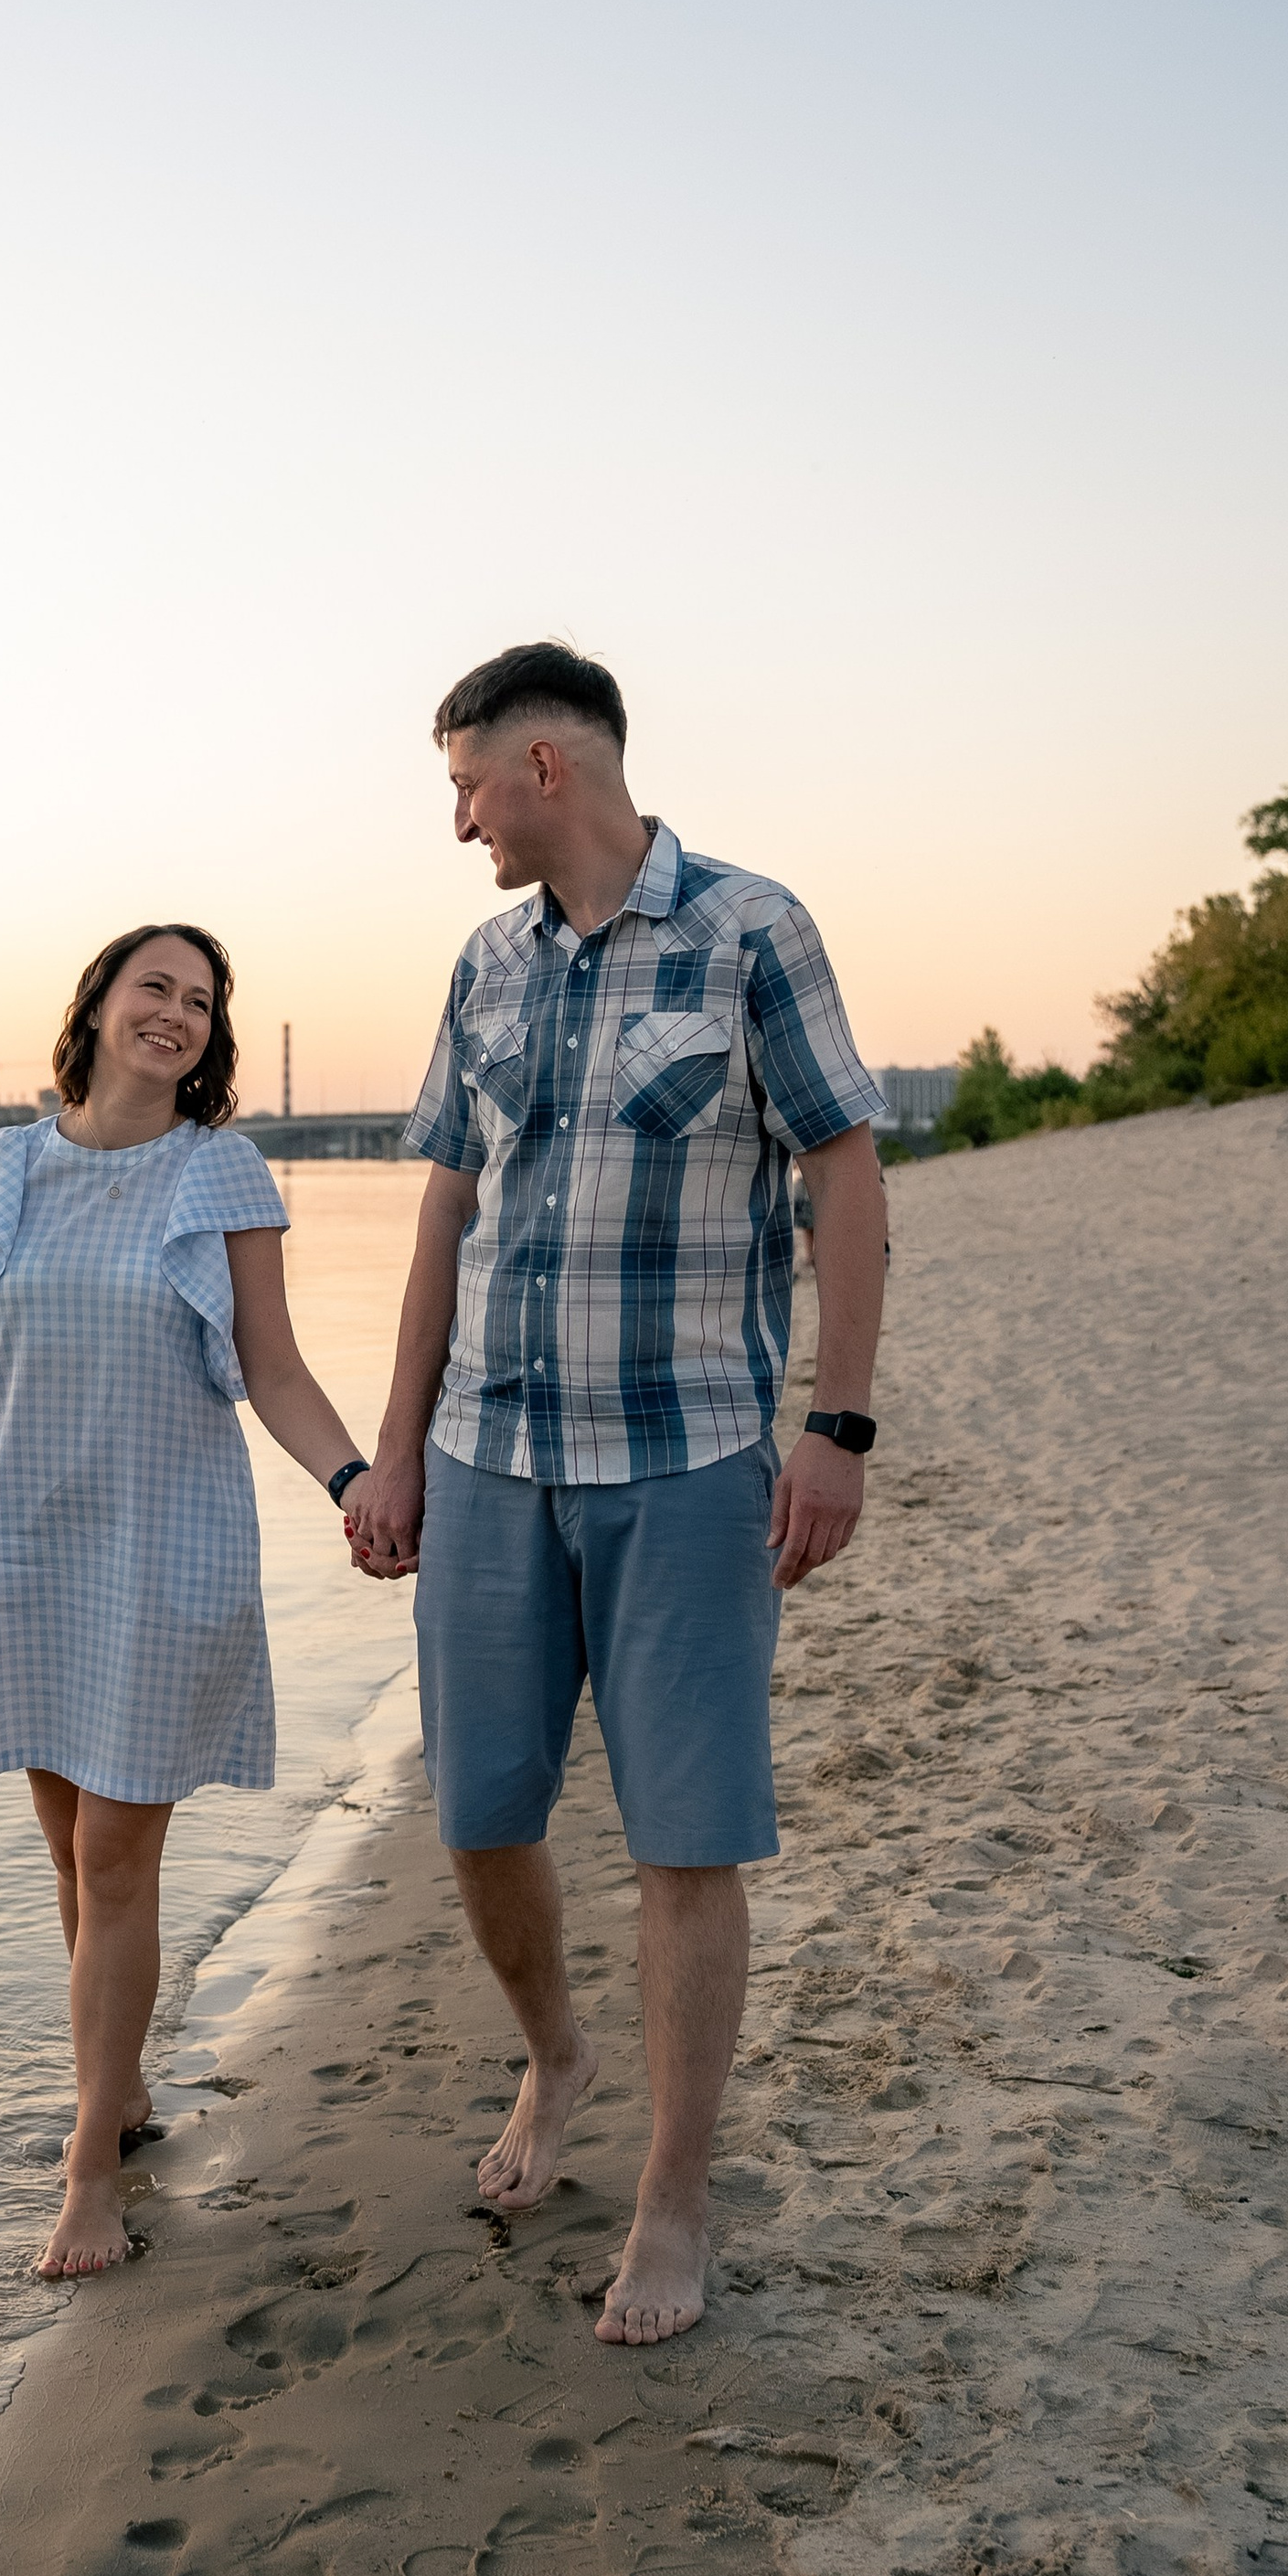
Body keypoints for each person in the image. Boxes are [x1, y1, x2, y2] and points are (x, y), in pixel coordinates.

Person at [342, 644, 888, 2347]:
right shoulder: (485, 966)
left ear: (544, 768)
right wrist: (399, 1442)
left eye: (464, 786)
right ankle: (557, 2056)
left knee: (686, 1840)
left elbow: (845, 1173)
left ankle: (673, 2199)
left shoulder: (751, 931)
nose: (458, 823)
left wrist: (839, 1425)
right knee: (478, 1817)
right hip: (490, 1459)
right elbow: (447, 1208)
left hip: (688, 1460)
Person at [0, 923, 374, 2283]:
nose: (177, 1013)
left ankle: (90, 2168)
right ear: (96, 1003)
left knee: (113, 1861)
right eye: (154, 986)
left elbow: (274, 1366)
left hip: (170, 1554)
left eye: (201, 1002)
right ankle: (125, 2085)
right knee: (70, 1857)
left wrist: (354, 1480)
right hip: (31, 1548)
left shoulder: (220, 1171)